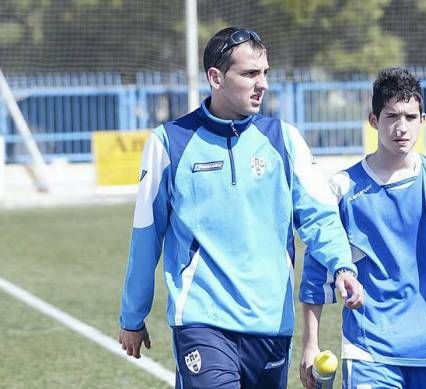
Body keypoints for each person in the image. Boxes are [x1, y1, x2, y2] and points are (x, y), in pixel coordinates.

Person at [118, 27, 364, 389]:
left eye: (264, 72)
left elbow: (319, 215)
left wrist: (342, 265)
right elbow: (145, 236)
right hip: (202, 321)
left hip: (270, 323)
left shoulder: (284, 139)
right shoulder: (168, 143)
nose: (261, 84)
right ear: (216, 78)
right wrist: (133, 316)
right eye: (250, 74)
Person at [299, 68, 426, 389]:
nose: (401, 127)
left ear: (422, 120)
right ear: (374, 120)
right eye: (391, 116)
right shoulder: (342, 188)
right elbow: (316, 272)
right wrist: (311, 343)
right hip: (368, 350)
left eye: (410, 117)